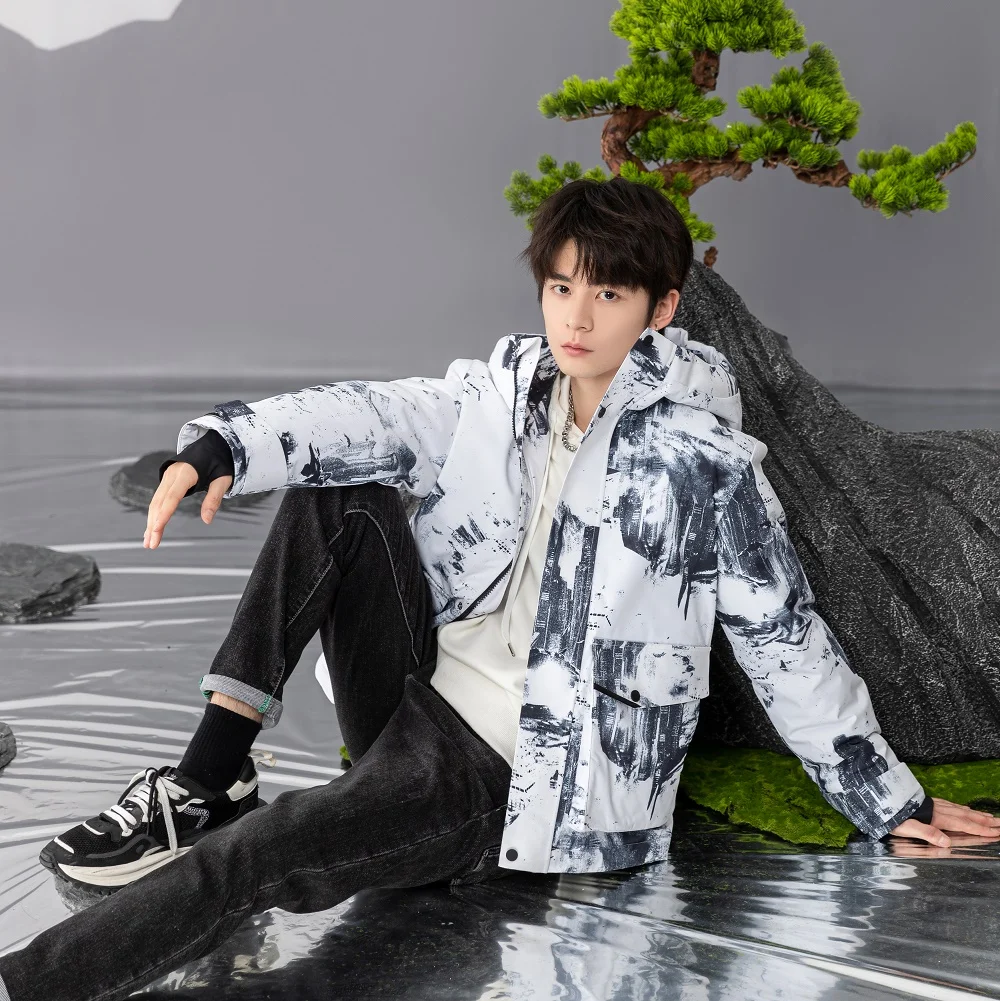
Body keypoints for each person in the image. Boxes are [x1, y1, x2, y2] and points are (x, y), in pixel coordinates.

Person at [2, 177, 997, 1001]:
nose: (576, 316)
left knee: (261, 855)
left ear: (661, 309)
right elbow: (372, 412)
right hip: (418, 691)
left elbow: (786, 640)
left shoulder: (700, 468)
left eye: (608, 293)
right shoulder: (508, 392)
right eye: (561, 286)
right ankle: (208, 772)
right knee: (337, 487)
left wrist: (886, 794)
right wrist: (224, 442)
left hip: (512, 777)